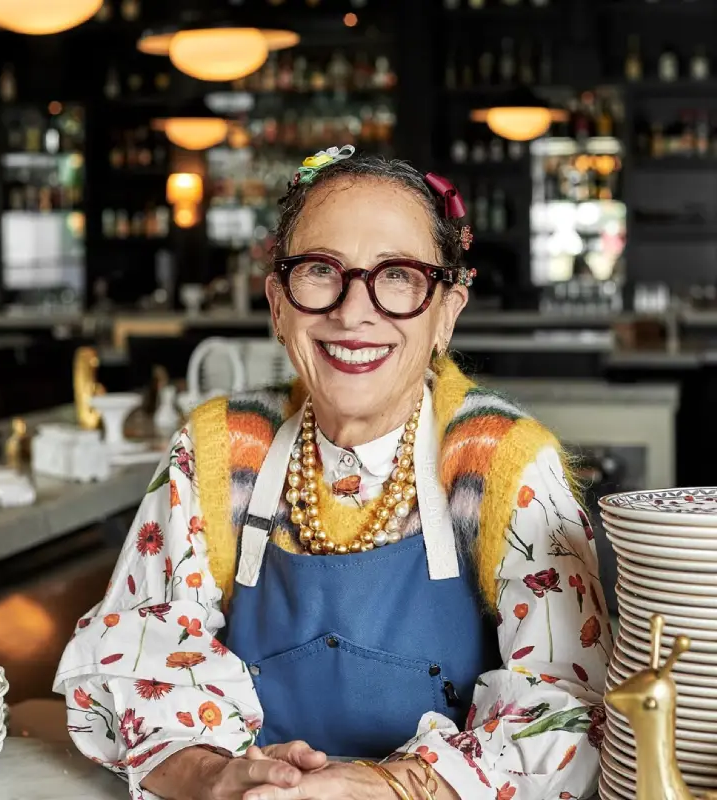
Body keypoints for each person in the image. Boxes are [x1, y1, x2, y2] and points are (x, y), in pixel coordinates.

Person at [54, 146, 612, 800]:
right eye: (322, 271)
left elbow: (572, 703)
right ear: (278, 304)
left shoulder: (498, 459)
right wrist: (219, 778)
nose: (353, 312)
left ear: (446, 312)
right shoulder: (221, 448)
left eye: (398, 275)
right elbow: (141, 654)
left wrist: (395, 786)